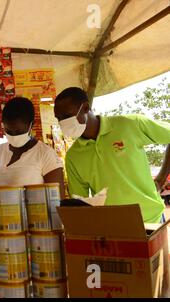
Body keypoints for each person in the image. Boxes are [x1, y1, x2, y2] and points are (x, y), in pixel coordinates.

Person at [54, 87, 170, 223]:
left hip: (151, 221)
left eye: (67, 116)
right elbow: (81, 205)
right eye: (58, 118)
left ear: (85, 107)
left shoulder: (130, 125)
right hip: (112, 228)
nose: (62, 122)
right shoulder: (73, 157)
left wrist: (161, 178)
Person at [0, 97, 66, 197]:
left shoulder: (45, 154)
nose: (14, 136)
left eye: (19, 132)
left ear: (32, 125)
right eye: (8, 131)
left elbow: (57, 200)